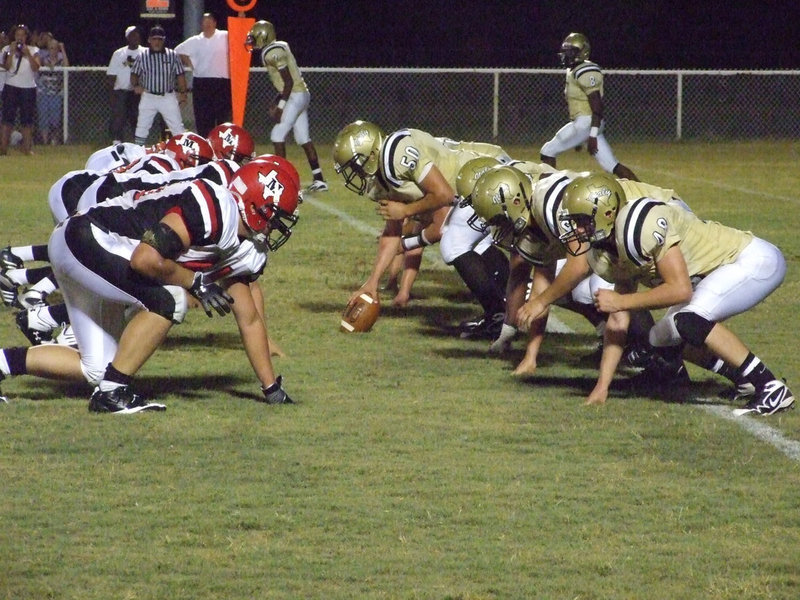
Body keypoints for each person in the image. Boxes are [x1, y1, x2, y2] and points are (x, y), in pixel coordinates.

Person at [0, 160, 301, 412]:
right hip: (88, 236)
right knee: (170, 300)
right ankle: (113, 393)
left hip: (86, 247)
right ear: (256, 205)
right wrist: (195, 282)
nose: (278, 225)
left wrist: (270, 387)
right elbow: (144, 260)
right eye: (277, 216)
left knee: (97, 368)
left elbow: (248, 319)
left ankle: (5, 362)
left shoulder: (243, 247)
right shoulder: (214, 207)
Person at [549, 172, 793, 415]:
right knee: (660, 338)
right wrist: (602, 387)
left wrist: (622, 301)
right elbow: (618, 319)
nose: (577, 229)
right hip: (712, 275)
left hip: (750, 260)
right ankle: (744, 379)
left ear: (606, 213)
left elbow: (680, 290)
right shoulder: (604, 254)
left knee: (689, 319)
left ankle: (770, 387)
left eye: (582, 221)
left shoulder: (640, 225)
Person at [333, 121, 511, 336]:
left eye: (355, 165)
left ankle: (500, 315)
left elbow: (443, 198)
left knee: (454, 242)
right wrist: (372, 282)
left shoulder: (396, 154)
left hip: (485, 170)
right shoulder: (380, 177)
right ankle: (507, 307)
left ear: (371, 155)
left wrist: (407, 211)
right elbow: (391, 233)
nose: (354, 173)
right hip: (467, 186)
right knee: (475, 242)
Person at [540, 33, 638, 181]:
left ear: (582, 52)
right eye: (565, 51)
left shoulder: (585, 70)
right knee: (612, 165)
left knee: (547, 151)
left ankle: (549, 189)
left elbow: (597, 105)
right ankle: (645, 194)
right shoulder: (573, 70)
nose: (566, 55)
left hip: (587, 123)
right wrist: (582, 138)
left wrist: (591, 135)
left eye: (571, 51)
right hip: (587, 124)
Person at [245, 20, 327, 192]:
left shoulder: (272, 53)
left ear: (264, 36)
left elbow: (288, 82)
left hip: (295, 95)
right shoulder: (280, 46)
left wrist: (281, 106)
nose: (252, 40)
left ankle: (282, 179)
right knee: (303, 139)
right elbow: (286, 83)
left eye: (254, 37)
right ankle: (319, 179)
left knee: (277, 134)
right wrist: (278, 100)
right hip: (301, 94)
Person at [175, 12, 231, 137]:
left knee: (222, 118)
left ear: (215, 23)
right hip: (202, 82)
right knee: (203, 118)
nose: (207, 25)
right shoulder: (195, 40)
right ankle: (206, 145)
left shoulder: (225, 36)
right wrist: (190, 63)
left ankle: (222, 146)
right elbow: (178, 51)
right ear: (201, 25)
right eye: (205, 23)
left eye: (210, 22)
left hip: (222, 82)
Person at [130, 25, 187, 146]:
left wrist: (183, 93)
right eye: (154, 39)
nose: (157, 42)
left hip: (167, 96)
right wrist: (135, 85)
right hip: (148, 96)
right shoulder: (142, 56)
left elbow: (180, 75)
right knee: (142, 127)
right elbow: (134, 73)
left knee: (177, 127)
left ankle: (183, 153)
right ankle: (137, 154)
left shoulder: (172, 55)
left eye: (160, 39)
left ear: (164, 40)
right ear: (149, 40)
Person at [0, 24, 40, 155]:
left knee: (27, 120)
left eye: (23, 35)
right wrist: (11, 52)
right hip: (11, 86)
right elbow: (6, 66)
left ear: (26, 36)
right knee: (7, 119)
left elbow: (36, 67)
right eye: (18, 35)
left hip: (28, 88)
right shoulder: (7, 49)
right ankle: (3, 148)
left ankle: (27, 148)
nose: (20, 37)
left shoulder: (34, 50)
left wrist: (27, 53)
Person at [107, 26, 144, 144]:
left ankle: (138, 144)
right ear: (127, 37)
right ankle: (117, 143)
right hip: (121, 91)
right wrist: (112, 94)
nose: (136, 36)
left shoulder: (145, 52)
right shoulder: (119, 53)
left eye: (137, 34)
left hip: (138, 92)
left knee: (137, 118)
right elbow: (111, 75)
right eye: (133, 34)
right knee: (119, 119)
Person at [35, 34, 68, 145]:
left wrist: (62, 49)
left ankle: (54, 140)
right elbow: (39, 64)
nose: (52, 50)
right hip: (43, 92)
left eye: (54, 48)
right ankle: (45, 142)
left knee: (55, 118)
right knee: (43, 117)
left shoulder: (60, 60)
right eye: (50, 48)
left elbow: (67, 66)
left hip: (56, 93)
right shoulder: (44, 59)